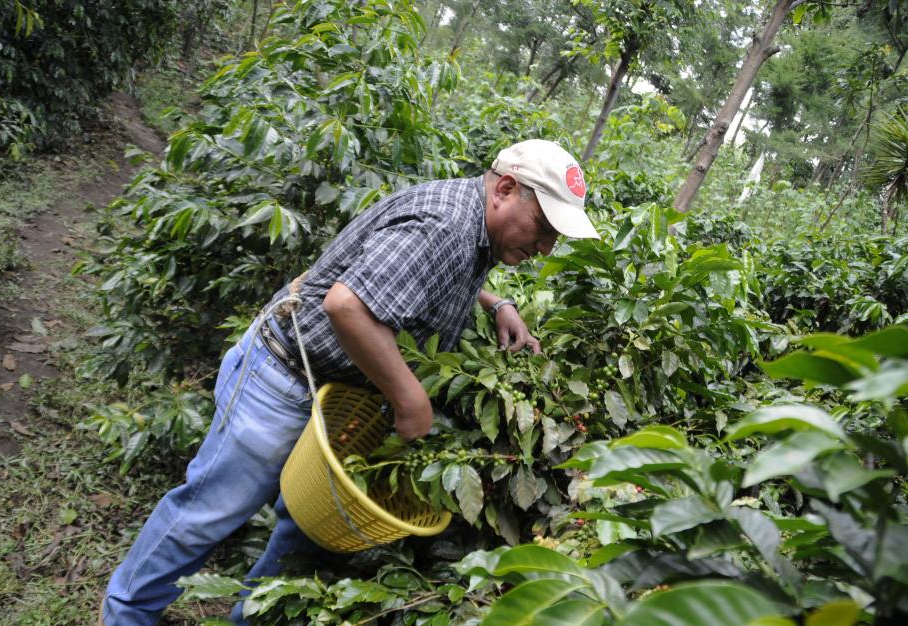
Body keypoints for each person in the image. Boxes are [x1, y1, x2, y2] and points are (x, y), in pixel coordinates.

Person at [99, 139, 600, 625]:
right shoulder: (446, 223)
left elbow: (424, 271)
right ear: (506, 190)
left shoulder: (475, 225)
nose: (546, 246)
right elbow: (347, 306)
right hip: (284, 378)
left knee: (307, 524)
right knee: (207, 513)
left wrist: (498, 304)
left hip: (334, 393)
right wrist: (410, 399)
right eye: (544, 226)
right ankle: (125, 614)